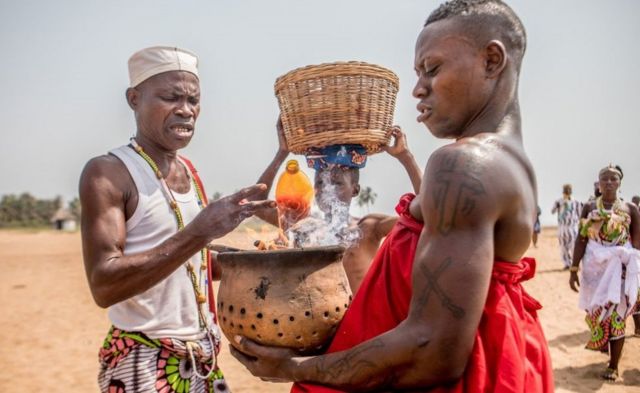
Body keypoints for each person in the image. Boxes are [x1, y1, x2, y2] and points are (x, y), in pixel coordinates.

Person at [231, 1, 554, 391]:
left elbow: (432, 350)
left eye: (432, 70)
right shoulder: (508, 162)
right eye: (418, 74)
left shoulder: (465, 165)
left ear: (491, 60)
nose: (419, 88)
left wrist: (294, 368)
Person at [79, 46, 274, 393]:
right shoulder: (109, 173)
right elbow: (104, 284)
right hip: (144, 359)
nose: (186, 110)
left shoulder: (188, 172)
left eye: (193, 100)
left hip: (202, 357)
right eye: (171, 97)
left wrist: (257, 261)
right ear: (134, 98)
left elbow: (191, 264)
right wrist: (200, 233)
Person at [253, 121, 422, 293]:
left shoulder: (368, 227)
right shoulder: (303, 224)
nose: (327, 189)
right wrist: (282, 152)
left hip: (358, 319)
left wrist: (405, 157)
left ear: (355, 190)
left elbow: (428, 213)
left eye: (337, 183)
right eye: (320, 182)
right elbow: (256, 205)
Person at [569, 164, 640, 381]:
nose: (609, 182)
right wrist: (573, 269)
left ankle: (613, 365)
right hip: (594, 271)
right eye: (605, 179)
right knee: (598, 315)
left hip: (621, 269)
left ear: (620, 183)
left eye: (613, 179)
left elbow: (636, 244)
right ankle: (604, 346)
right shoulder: (590, 207)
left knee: (618, 315)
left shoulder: (630, 209)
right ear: (599, 183)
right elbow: (582, 240)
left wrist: (635, 270)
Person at [552, 184, 582, 269]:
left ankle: (575, 263)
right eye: (566, 190)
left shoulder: (576, 202)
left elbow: (580, 215)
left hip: (572, 227)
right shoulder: (559, 202)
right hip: (562, 228)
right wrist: (557, 205)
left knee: (573, 247)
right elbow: (552, 211)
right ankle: (566, 264)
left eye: (568, 190)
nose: (567, 192)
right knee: (563, 247)